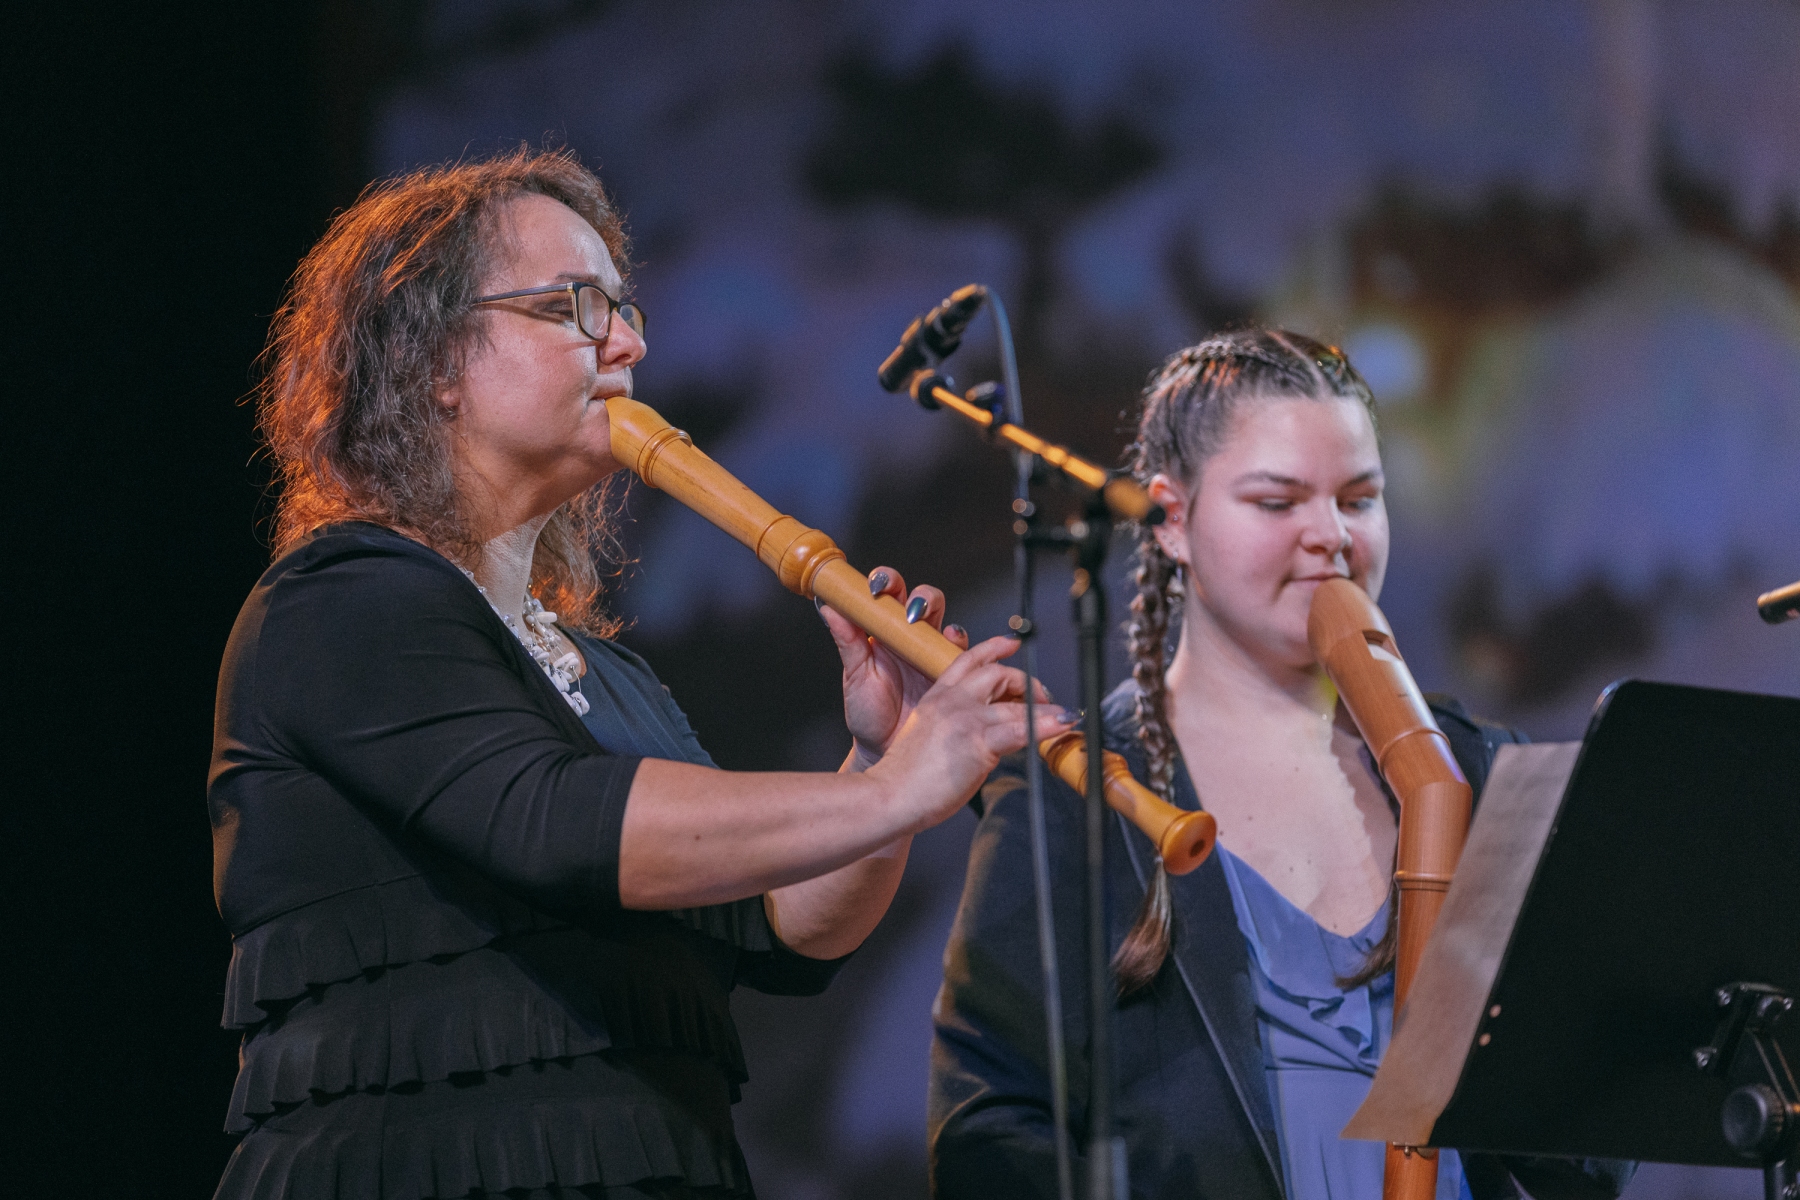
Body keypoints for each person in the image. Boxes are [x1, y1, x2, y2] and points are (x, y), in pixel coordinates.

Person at [208, 148, 1073, 1200]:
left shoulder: (603, 674)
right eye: (572, 306)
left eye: (621, 307)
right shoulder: (342, 602)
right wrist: (904, 787)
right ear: (433, 360)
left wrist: (876, 760)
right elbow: (554, 822)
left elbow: (782, 931)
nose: (629, 342)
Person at [926, 331, 1634, 1200]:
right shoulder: (1077, 788)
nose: (1331, 536)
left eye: (1359, 499)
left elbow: (1590, 1153)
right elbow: (985, 1129)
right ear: (1171, 519)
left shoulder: (1482, 771)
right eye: (1277, 501)